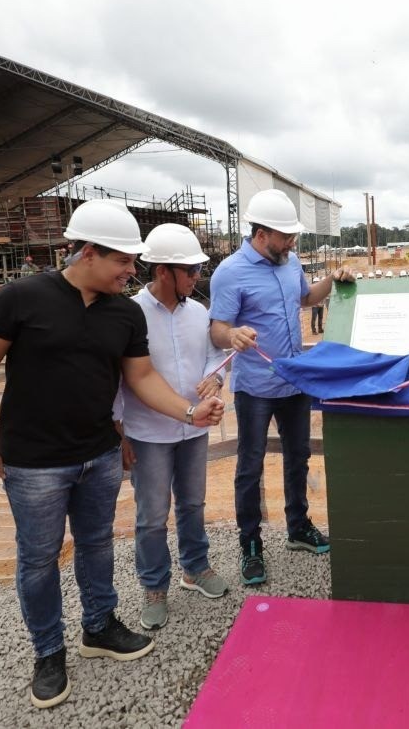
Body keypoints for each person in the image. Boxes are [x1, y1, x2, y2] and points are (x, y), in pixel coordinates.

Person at [0, 199, 224, 710]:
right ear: (87, 252)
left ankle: (98, 626)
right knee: (38, 560)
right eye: (122, 261)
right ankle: (48, 652)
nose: (131, 272)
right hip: (35, 462)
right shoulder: (20, 299)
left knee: (97, 545)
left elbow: (141, 377)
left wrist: (190, 414)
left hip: (98, 455)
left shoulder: (122, 314)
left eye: (134, 262)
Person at [208, 189, 354, 586]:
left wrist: (332, 280)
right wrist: (232, 333)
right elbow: (217, 328)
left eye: (293, 235)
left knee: (298, 458)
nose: (292, 242)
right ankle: (250, 544)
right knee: (250, 467)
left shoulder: (290, 264)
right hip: (255, 387)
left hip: (295, 383)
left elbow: (306, 298)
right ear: (260, 233)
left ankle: (297, 527)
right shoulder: (230, 272)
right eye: (285, 235)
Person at [114, 223, 230, 633]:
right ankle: (154, 587)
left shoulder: (198, 313)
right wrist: (121, 434)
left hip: (193, 433)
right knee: (151, 515)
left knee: (193, 503)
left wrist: (216, 378)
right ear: (163, 271)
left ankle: (195, 568)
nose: (198, 277)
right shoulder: (130, 312)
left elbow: (218, 354)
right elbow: (119, 377)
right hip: (148, 435)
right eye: (191, 271)